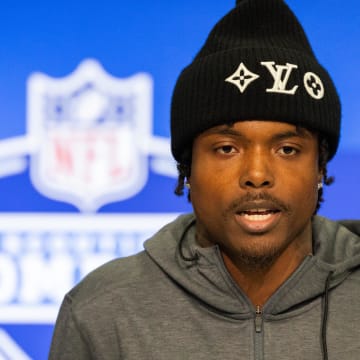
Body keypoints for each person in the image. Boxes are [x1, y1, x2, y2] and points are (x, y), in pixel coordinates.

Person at [49, 0, 360, 359]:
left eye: (287, 149)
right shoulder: (103, 310)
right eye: (227, 148)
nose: (257, 175)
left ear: (320, 166)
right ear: (187, 167)